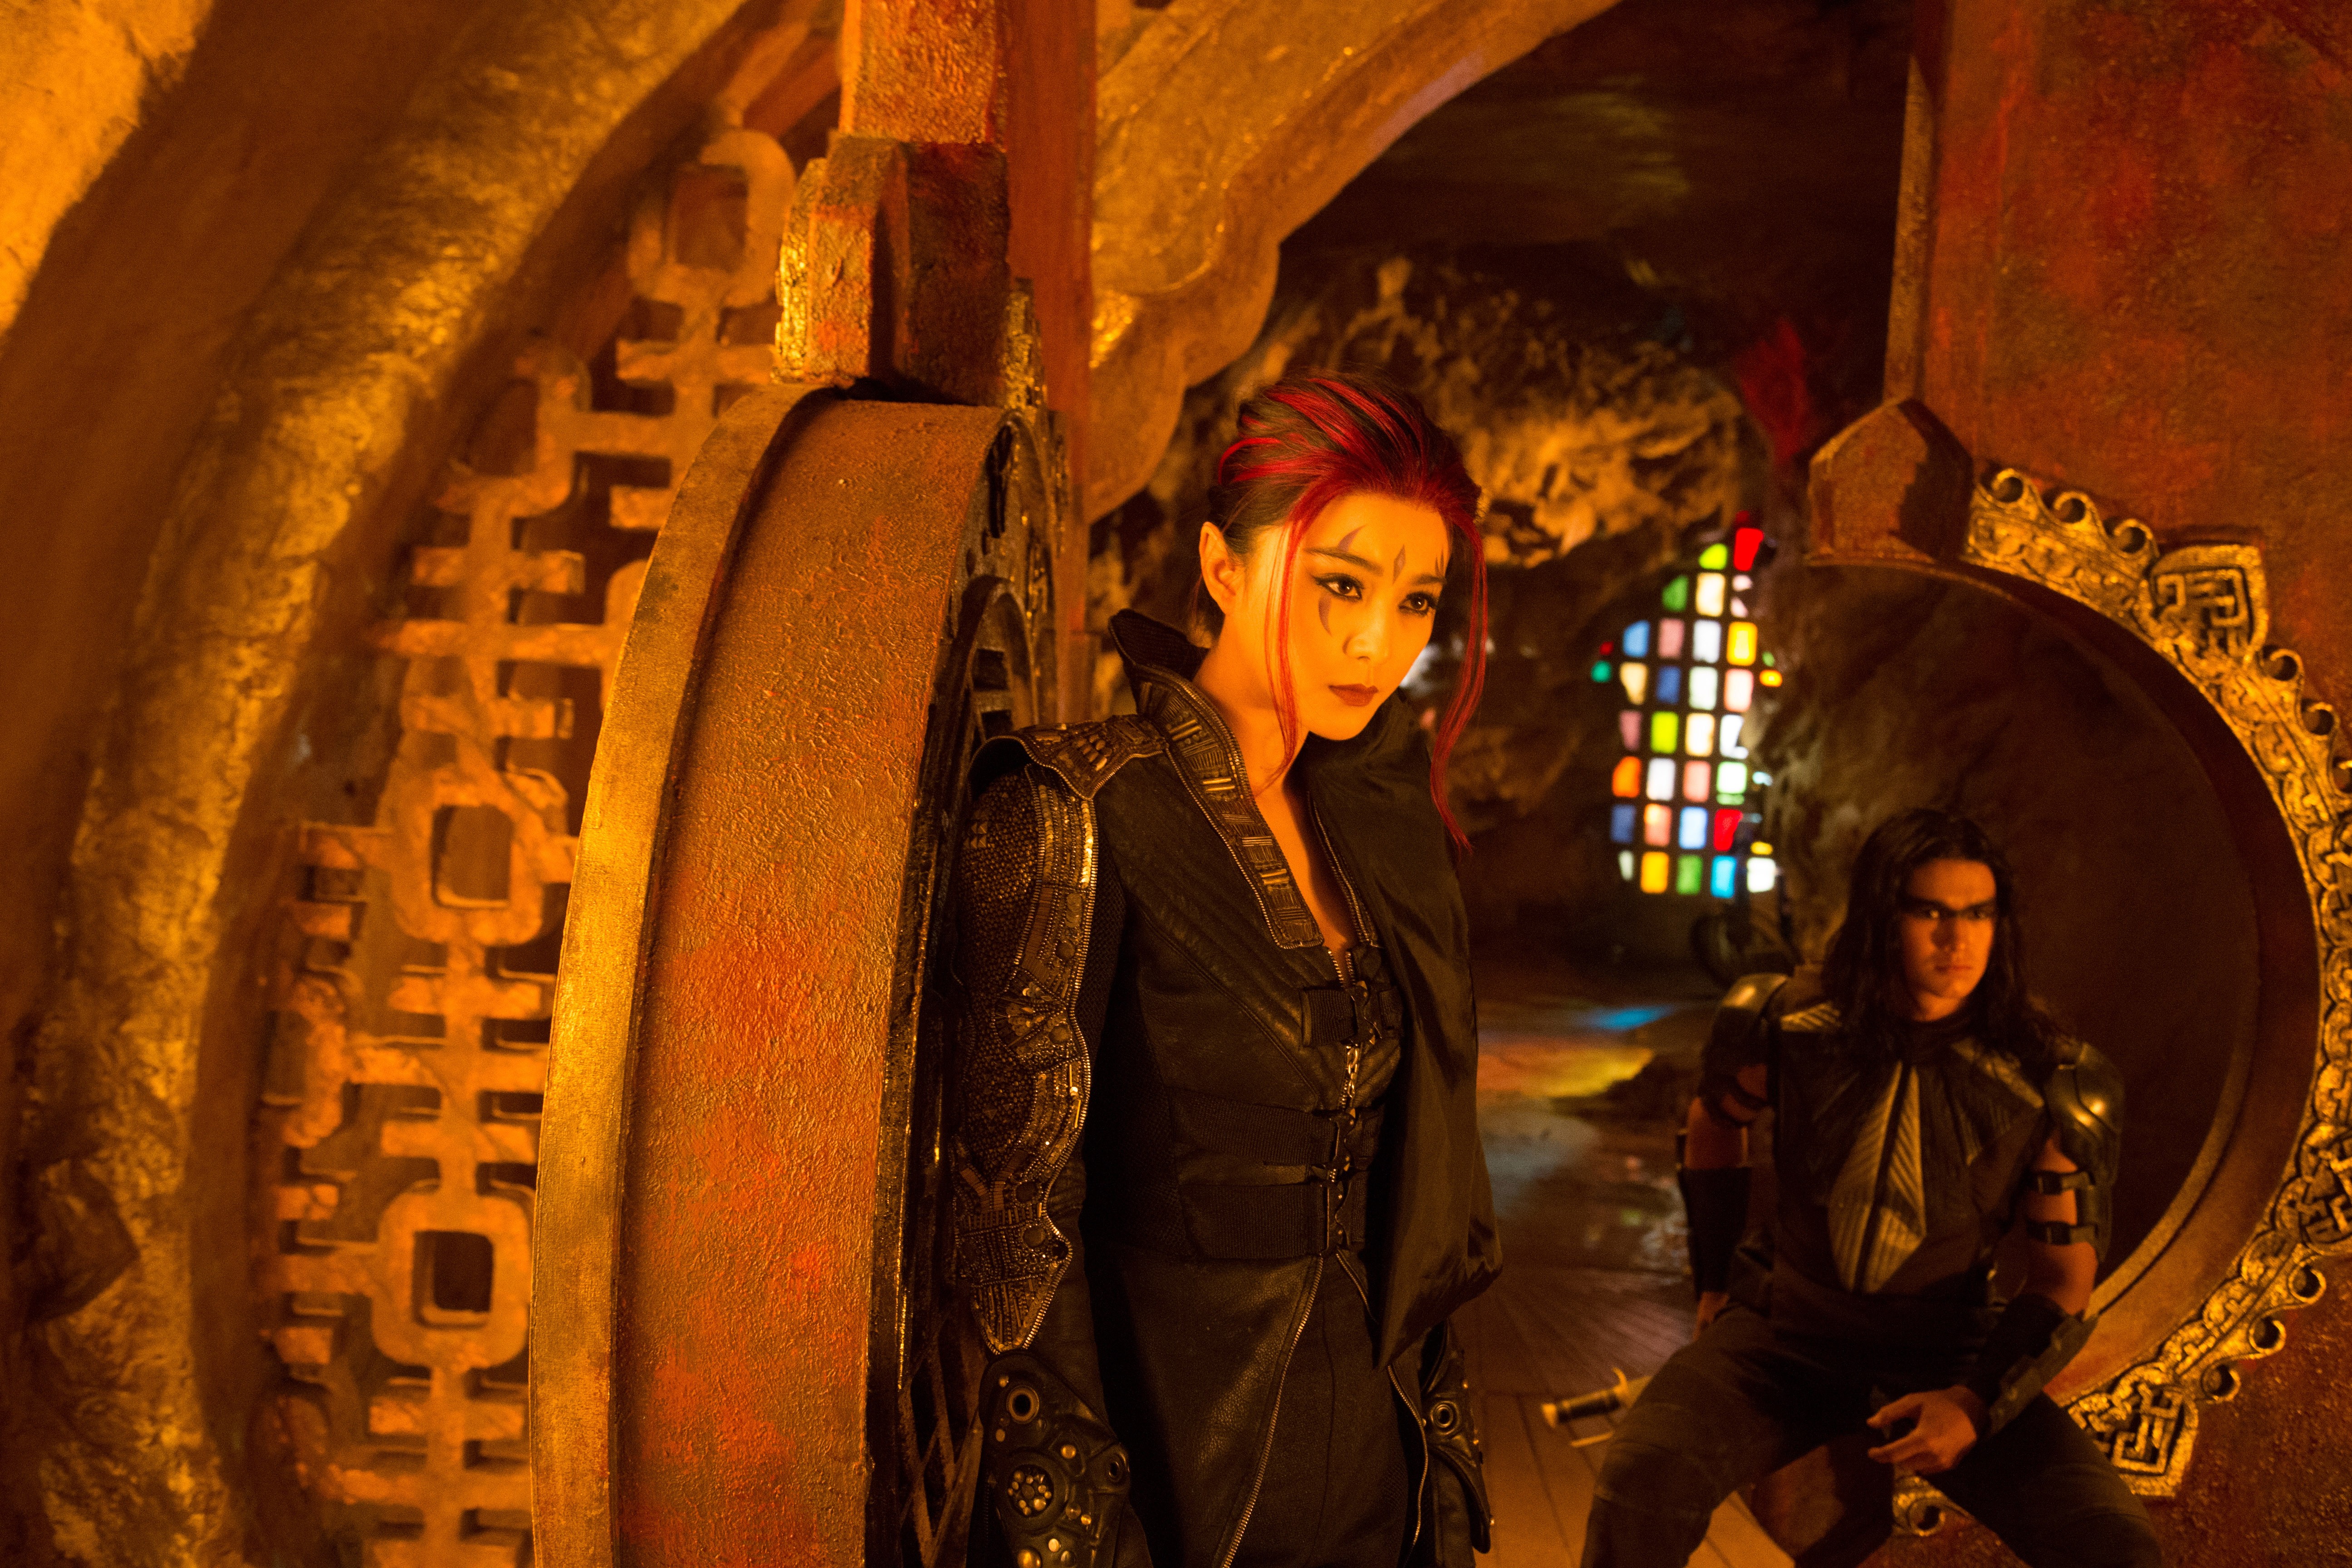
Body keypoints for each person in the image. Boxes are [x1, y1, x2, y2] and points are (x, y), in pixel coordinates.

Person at [944, 372, 1501, 1568]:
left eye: (1416, 601)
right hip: (1176, 1453)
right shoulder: (1077, 807)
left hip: (1380, 1449)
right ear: (1222, 567)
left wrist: (1441, 1468)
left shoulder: (1388, 834)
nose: (1377, 642)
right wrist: (1085, 1529)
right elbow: (1015, 1219)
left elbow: (1423, 1177)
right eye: (1341, 584)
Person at [1582, 808, 2163, 1568]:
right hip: (1784, 1339)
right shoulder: (1787, 1022)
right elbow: (1715, 1119)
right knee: (1640, 1483)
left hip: (1950, 1353)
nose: (1957, 941)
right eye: (1931, 913)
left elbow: (2062, 1280)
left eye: (1978, 915)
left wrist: (1975, 1403)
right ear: (1883, 917)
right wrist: (1715, 1282)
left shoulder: (2052, 1076)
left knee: (2115, 1545)